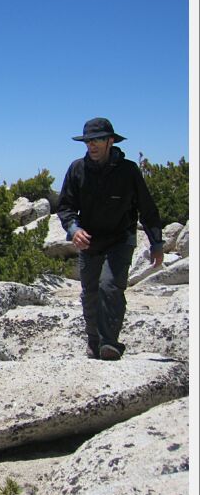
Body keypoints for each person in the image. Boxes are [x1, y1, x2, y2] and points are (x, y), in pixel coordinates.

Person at [57, 117, 164, 361]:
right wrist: (74, 229)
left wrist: (156, 243)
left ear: (110, 141)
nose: (92, 145)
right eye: (88, 141)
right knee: (90, 291)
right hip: (90, 239)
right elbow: (65, 206)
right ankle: (94, 342)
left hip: (120, 237)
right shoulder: (77, 169)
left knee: (110, 286)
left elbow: (147, 209)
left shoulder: (128, 171)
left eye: (97, 140)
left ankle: (110, 343)